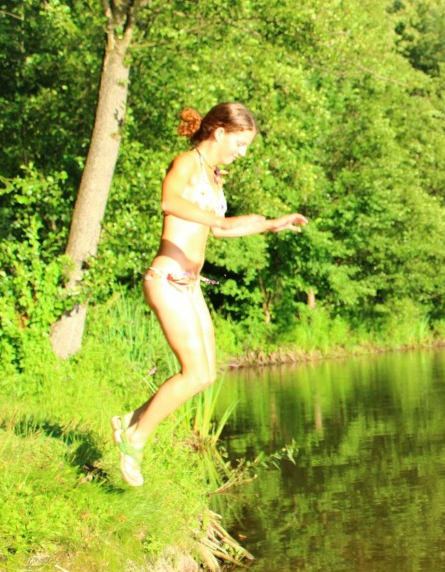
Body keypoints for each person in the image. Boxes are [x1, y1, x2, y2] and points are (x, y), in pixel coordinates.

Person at [111, 102, 308, 487]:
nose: (243, 152)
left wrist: (269, 225)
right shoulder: (185, 162)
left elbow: (219, 230)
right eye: (241, 142)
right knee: (195, 372)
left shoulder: (214, 177)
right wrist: (220, 218)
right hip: (166, 277)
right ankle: (134, 438)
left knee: (205, 374)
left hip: (189, 284)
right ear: (219, 131)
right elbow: (170, 202)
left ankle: (130, 421)